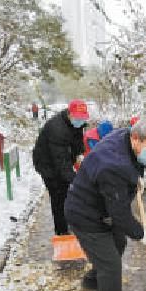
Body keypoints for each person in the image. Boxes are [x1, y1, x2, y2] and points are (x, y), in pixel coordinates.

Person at [64, 116, 146, 291]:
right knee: (111, 266)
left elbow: (132, 166)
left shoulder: (124, 137)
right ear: (136, 139)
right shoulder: (114, 166)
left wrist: (135, 178)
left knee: (118, 243)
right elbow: (120, 215)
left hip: (101, 207)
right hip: (86, 215)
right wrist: (142, 234)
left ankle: (92, 281)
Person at [33, 99, 89, 235]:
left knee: (67, 191)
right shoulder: (56, 129)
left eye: (83, 118)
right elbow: (62, 164)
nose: (80, 121)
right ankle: (61, 231)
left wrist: (80, 155)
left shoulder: (76, 123)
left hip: (61, 159)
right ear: (70, 114)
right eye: (78, 118)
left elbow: (78, 141)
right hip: (47, 164)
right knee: (58, 195)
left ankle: (68, 221)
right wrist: (79, 182)